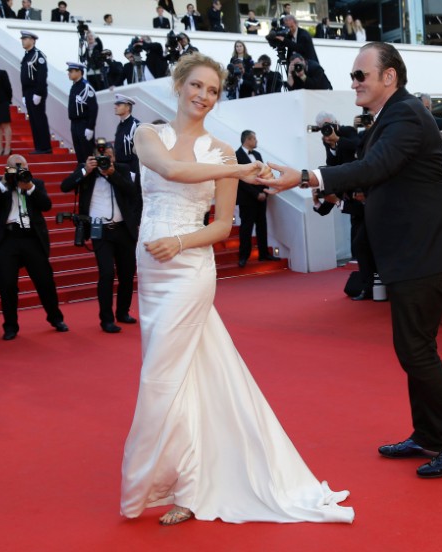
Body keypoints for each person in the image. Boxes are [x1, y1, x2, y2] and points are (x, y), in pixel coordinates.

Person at [119, 51, 353, 525]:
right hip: (154, 271)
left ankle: (156, 482)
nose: (204, 96)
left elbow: (223, 227)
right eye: (197, 86)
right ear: (179, 84)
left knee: (159, 379)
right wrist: (238, 171)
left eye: (213, 91)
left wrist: (181, 239)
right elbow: (170, 172)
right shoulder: (147, 135)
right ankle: (192, 482)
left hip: (188, 270)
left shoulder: (224, 154)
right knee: (187, 375)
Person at [260, 42, 442, 479]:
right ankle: (430, 434)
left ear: (390, 77)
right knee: (415, 349)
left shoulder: (404, 114)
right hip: (414, 252)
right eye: (353, 75)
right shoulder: (389, 117)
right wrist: (342, 188)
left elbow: (376, 166)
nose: (353, 82)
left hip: (429, 253)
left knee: (415, 351)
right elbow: (385, 176)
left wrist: (308, 176)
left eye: (361, 74)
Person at [60, 141, 142, 333]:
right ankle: (106, 319)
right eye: (102, 158)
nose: (106, 161)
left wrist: (112, 174)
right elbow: (65, 186)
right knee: (106, 273)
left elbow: (133, 192)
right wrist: (85, 171)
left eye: (109, 157)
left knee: (127, 273)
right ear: (93, 158)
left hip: (123, 229)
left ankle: (123, 311)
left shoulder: (121, 169)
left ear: (114, 157)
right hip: (100, 231)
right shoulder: (86, 170)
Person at [0, 154, 68, 340]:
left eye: (22, 167)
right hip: (7, 239)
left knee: (45, 281)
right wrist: (4, 184)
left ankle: (56, 318)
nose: (19, 171)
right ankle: (10, 326)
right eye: (14, 167)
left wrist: (29, 187)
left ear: (28, 167)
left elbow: (46, 205)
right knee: (7, 284)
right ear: (6, 168)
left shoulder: (35, 183)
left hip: (32, 238)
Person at [312, 111, 373, 298]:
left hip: (363, 193)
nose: (327, 130)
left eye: (329, 125)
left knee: (361, 244)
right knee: (358, 244)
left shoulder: (347, 131)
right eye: (324, 127)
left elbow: (358, 146)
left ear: (336, 122)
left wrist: (337, 140)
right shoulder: (326, 138)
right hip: (349, 194)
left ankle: (371, 286)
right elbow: (333, 165)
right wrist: (321, 199)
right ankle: (368, 285)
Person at [234, 130, 279, 266]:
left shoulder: (258, 154)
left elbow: (264, 174)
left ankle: (264, 254)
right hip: (247, 199)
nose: (256, 141)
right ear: (247, 140)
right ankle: (243, 257)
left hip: (261, 197)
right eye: (254, 139)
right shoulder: (237, 155)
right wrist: (256, 194)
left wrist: (264, 192)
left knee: (262, 226)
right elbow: (240, 179)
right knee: (246, 228)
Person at [20, 31, 53, 154]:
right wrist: (24, 94)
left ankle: (45, 147)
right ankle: (39, 146)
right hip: (29, 91)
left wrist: (38, 93)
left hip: (36, 91)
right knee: (33, 120)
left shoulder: (38, 55)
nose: (23, 40)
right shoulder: (27, 55)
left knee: (39, 119)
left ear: (33, 40)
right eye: (22, 38)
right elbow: (23, 77)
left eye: (26, 38)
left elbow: (41, 75)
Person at [65, 62, 98, 163]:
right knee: (79, 151)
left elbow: (93, 108)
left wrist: (90, 127)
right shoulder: (74, 86)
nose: (69, 74)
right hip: (75, 123)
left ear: (79, 72)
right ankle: (82, 173)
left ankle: (91, 176)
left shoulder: (86, 87)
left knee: (87, 152)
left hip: (84, 123)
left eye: (71, 71)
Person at [112, 94, 141, 179]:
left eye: (118, 105)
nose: (115, 107)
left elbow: (138, 150)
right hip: (119, 167)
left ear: (128, 107)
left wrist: (134, 171)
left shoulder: (135, 125)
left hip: (131, 168)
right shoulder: (120, 125)